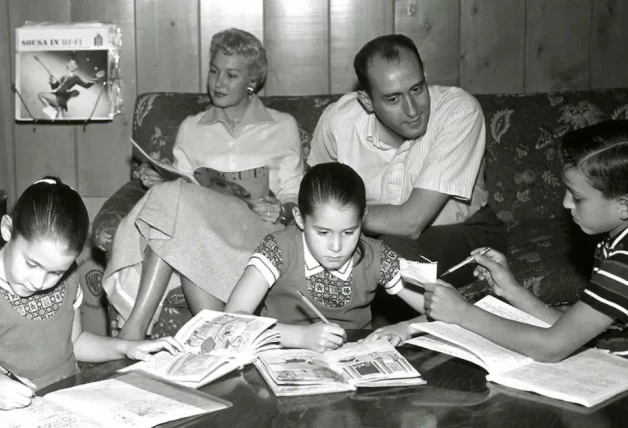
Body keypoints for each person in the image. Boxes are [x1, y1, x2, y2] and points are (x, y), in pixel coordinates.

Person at [103, 28, 303, 340]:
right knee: (175, 209)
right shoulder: (191, 128)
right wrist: (156, 180)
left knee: (178, 221)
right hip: (202, 233)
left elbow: (295, 191)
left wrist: (282, 209)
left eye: (231, 75)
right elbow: (181, 183)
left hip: (258, 236)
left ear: (253, 81)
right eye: (213, 71)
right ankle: (219, 339)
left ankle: (134, 329)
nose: (218, 83)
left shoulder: (283, 126)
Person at [308, 33, 507, 324]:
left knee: (382, 251)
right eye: (392, 99)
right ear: (366, 100)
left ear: (425, 75)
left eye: (417, 89)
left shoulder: (458, 110)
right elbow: (314, 197)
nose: (413, 110)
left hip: (469, 236)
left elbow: (410, 222)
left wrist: (337, 219)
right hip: (368, 238)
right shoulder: (338, 121)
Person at [415, 120, 628, 362]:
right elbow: (573, 331)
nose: (566, 203)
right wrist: (511, 290)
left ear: (624, 205)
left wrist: (462, 313)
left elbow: (552, 347)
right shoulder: (615, 242)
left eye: (578, 198)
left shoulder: (624, 262)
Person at [0, 177, 182, 411]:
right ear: (7, 230)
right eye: (31, 264)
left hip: (69, 398)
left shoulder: (69, 276)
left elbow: (75, 341)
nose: (38, 282)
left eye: (55, 272)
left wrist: (125, 347)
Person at [225, 163, 425, 352]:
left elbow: (448, 307)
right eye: (323, 233)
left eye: (348, 232)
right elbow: (230, 320)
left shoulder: (379, 257)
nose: (336, 247)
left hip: (354, 363)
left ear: (362, 220)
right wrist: (301, 337)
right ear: (299, 218)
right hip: (280, 358)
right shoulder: (278, 249)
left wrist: (405, 328)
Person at [37, 55, 101, 120]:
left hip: (61, 97)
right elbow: (54, 87)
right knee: (60, 119)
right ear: (67, 64)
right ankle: (53, 112)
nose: (72, 65)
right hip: (58, 97)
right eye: (70, 63)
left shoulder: (75, 78)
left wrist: (96, 77)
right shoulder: (63, 77)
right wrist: (51, 80)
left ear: (76, 66)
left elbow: (86, 86)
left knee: (40, 94)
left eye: (74, 64)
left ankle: (51, 111)